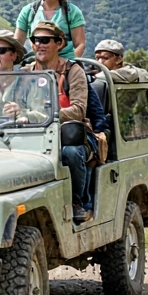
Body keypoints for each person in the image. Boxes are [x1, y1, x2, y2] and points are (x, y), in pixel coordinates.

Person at [28, 20, 94, 224]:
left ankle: (77, 202)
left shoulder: (73, 71)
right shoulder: (26, 72)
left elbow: (78, 110)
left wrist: (45, 116)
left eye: (45, 40)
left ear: (59, 43)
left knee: (71, 154)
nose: (39, 44)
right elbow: (17, 104)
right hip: (33, 135)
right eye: (35, 40)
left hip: (71, 136)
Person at [14, 0, 85, 61]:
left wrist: (69, 64)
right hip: (37, 62)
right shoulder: (28, 11)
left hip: (65, 62)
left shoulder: (71, 11)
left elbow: (80, 44)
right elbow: (17, 44)